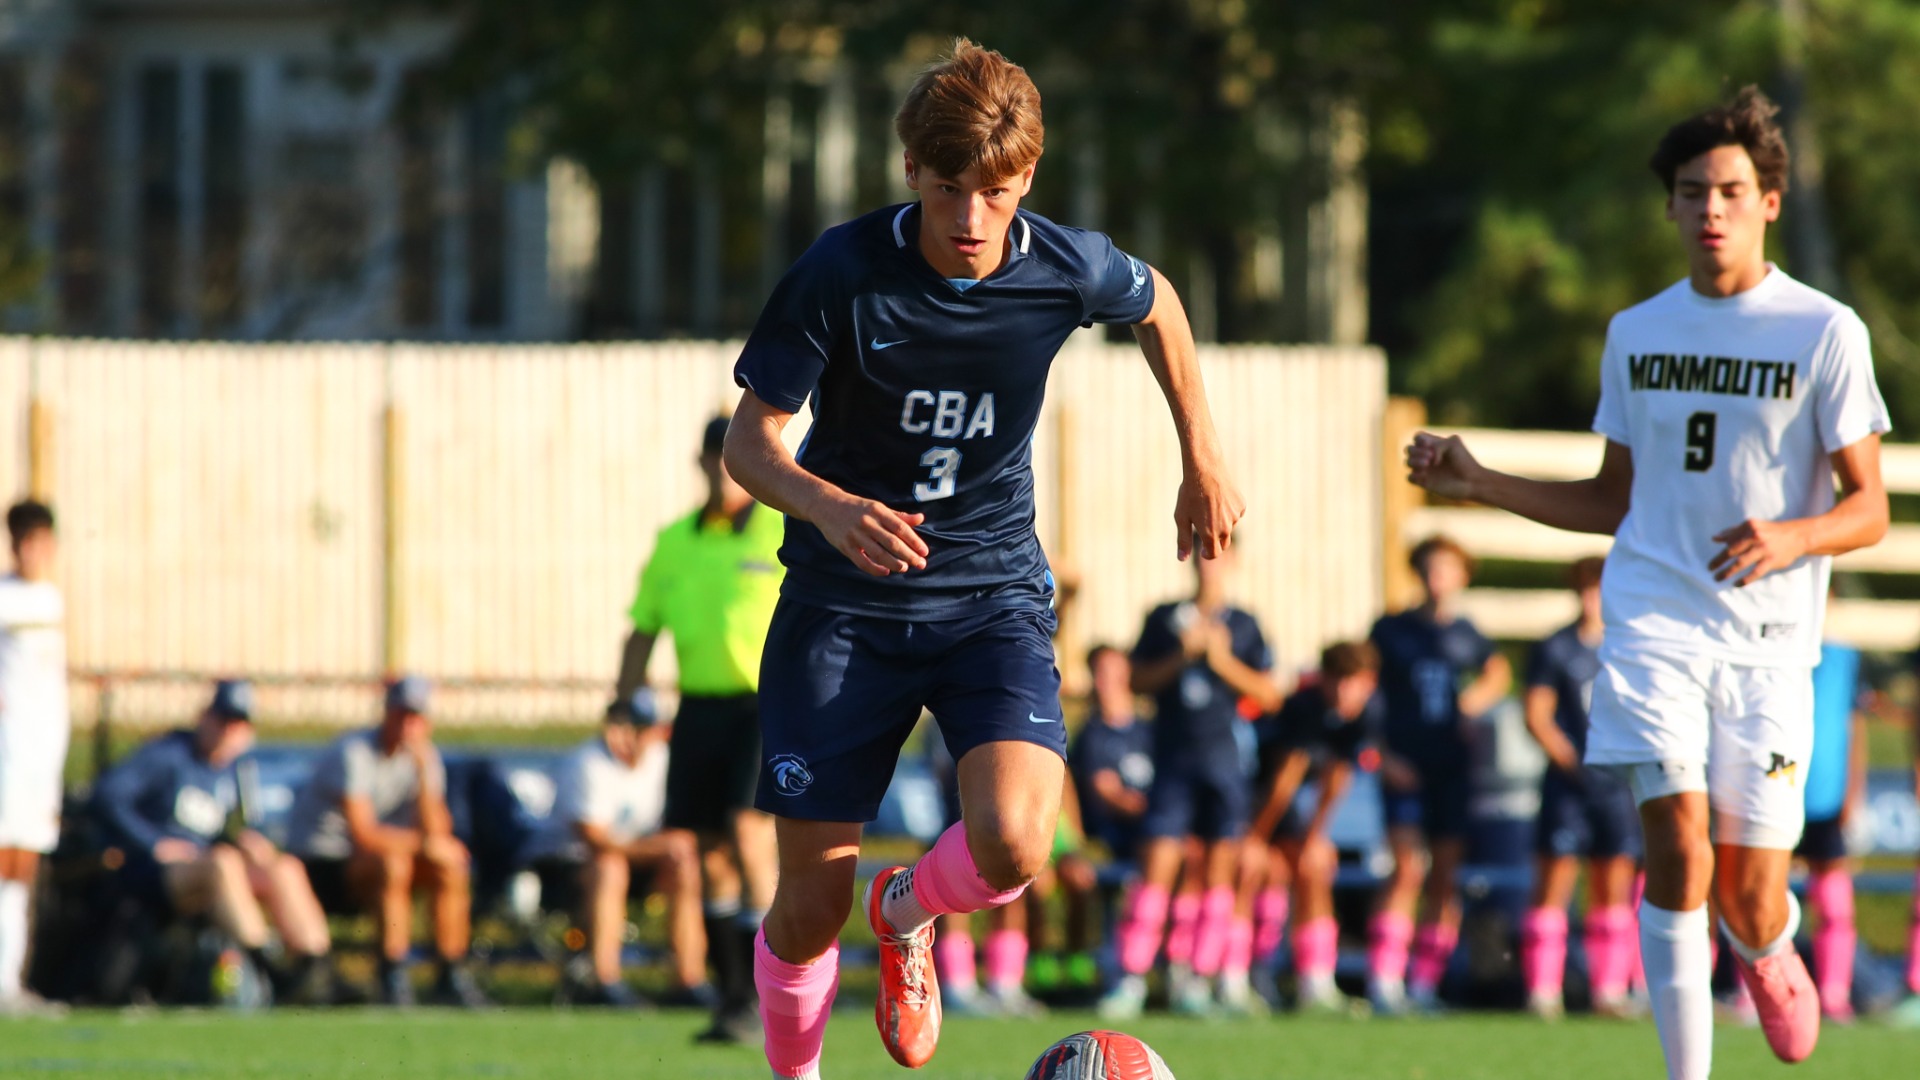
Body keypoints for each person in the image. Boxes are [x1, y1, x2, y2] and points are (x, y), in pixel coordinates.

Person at [722, 38, 1243, 1078]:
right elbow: (750, 443)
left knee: (1014, 844)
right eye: (950, 190)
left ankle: (906, 910)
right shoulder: (841, 271)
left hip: (990, 594)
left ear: (1027, 182)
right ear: (911, 171)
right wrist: (828, 507)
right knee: (807, 913)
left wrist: (1202, 455)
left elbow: (1162, 306)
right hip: (844, 608)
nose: (970, 220)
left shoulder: (1063, 265)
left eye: (995, 194)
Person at [1406, 87, 1888, 1077]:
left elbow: (1871, 508)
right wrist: (1481, 479)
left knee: (1747, 894)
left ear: (1768, 203)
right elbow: (1612, 499)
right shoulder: (1637, 332)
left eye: (1729, 190)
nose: (1710, 208)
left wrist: (1794, 537)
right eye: (1690, 191)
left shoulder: (1823, 330)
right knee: (1674, 846)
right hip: (1653, 625)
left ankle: (1767, 941)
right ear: (1668, 208)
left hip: (1768, 650)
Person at [616, 414, 782, 1040]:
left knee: (747, 833)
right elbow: (642, 627)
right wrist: (622, 703)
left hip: (760, 706)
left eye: (730, 459)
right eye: (713, 459)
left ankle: (773, 989)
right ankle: (734, 996)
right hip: (698, 708)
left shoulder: (777, 533)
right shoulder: (676, 541)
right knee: (708, 856)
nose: (721, 472)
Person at [1101, 548, 1282, 1018]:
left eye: (1218, 556)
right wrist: (1183, 656)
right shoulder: (1164, 619)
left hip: (1223, 764)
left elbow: (1268, 693)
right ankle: (1131, 978)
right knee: (1158, 864)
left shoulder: (1244, 624)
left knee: (1220, 872)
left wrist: (1220, 661)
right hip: (1173, 763)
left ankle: (1199, 977)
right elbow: (1136, 681)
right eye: (1201, 555)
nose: (1209, 565)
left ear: (1234, 561)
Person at [96, 680, 333, 1004]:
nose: (228, 732)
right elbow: (108, 796)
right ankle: (266, 966)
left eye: (238, 725)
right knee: (223, 863)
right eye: (223, 721)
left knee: (284, 867)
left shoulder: (234, 769)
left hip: (209, 868)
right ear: (205, 717)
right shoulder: (169, 755)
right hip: (156, 873)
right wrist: (152, 842)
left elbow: (213, 829)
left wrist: (246, 842)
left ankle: (315, 968)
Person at [1366, 535, 1511, 1014]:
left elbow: (1498, 673)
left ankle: (1425, 982)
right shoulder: (1391, 630)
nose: (1437, 578)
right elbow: (1369, 697)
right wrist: (1384, 754)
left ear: (1461, 577)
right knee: (1407, 868)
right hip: (1406, 765)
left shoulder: (1468, 633)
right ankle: (1384, 979)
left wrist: (1468, 705)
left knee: (1445, 876)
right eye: (1429, 568)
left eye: (1447, 569)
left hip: (1452, 767)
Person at [285, 676, 490, 1007]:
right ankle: (392, 970)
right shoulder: (354, 752)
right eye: (401, 714)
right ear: (386, 714)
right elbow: (363, 834)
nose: (408, 725)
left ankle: (450, 972)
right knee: (393, 865)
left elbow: (437, 830)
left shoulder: (425, 758)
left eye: (416, 717)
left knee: (449, 868)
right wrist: (427, 845)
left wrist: (423, 775)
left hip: (384, 857)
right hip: (325, 862)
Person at [1518, 558, 1644, 1019]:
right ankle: (1542, 991)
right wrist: (1574, 761)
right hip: (1570, 784)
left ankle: (1609, 990)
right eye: (1588, 589)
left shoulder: (1631, 644)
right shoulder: (1555, 648)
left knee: (1613, 883)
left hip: (1617, 785)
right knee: (1554, 881)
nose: (1595, 598)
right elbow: (1537, 715)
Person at [521, 689, 702, 1007]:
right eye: (624, 724)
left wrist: (673, 846)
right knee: (609, 867)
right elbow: (595, 839)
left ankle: (687, 981)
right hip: (566, 868)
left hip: (634, 861)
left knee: (684, 865)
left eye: (640, 727)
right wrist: (663, 846)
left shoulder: (663, 761)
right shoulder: (587, 762)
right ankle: (604, 980)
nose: (628, 735)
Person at [1248, 641, 1381, 1014]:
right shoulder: (1303, 709)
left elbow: (1337, 776)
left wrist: (1314, 837)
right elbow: (1282, 780)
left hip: (1287, 808)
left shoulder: (1367, 714)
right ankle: (1249, 976)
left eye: (1352, 682)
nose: (1343, 691)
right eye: (1336, 681)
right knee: (1261, 871)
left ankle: (1316, 982)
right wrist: (1254, 839)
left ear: (1368, 683)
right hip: (1256, 801)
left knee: (1312, 867)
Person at [0, 500, 68, 1015]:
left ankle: (10, 982)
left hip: (41, 757)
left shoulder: (51, 600)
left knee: (24, 865)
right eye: (27, 541)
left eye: (43, 541)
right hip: (6, 751)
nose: (35, 552)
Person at [1795, 627, 1867, 1023]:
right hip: (1777, 791)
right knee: (1760, 895)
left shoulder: (1845, 657)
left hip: (1825, 796)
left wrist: (1853, 790)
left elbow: (1855, 728)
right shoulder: (1774, 644)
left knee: (1834, 902)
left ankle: (1833, 993)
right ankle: (1749, 990)